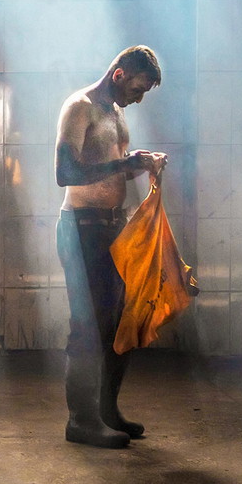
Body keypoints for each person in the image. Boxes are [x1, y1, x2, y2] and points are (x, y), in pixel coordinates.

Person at [54, 45, 166, 448]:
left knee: (120, 322)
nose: (138, 99)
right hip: (81, 230)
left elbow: (118, 171)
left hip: (114, 229)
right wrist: (125, 164)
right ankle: (80, 421)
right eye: (137, 89)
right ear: (119, 75)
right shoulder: (79, 107)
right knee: (88, 326)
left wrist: (144, 171)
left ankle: (107, 411)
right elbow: (64, 172)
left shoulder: (117, 114)